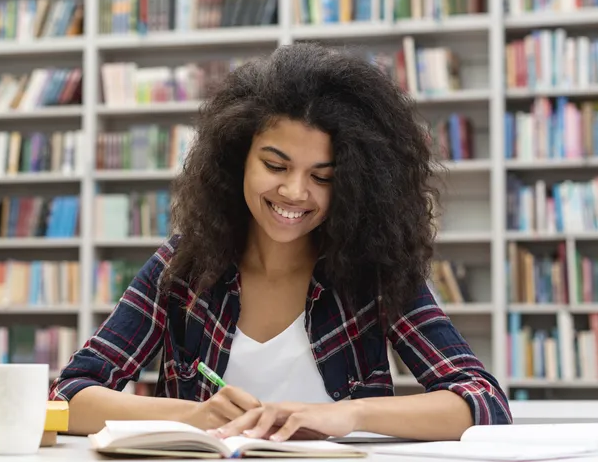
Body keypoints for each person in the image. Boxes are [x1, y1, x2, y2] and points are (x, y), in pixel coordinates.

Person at [49, 42, 512, 440]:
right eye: (275, 166)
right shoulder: (184, 265)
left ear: (353, 183)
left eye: (322, 176)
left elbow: (483, 400)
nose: (294, 192)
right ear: (238, 160)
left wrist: (349, 414)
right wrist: (191, 416)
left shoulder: (373, 269)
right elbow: (68, 395)